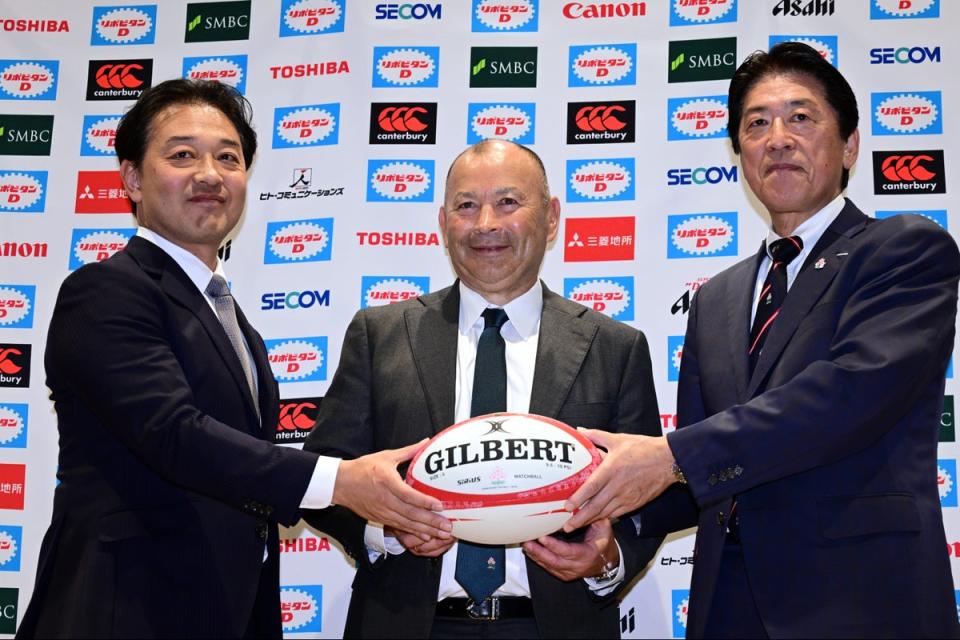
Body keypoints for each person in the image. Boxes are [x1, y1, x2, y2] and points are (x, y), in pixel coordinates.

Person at [16, 79, 450, 639]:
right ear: (131, 179)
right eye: (182, 155)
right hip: (125, 611)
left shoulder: (235, 321)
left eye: (229, 157)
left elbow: (245, 471)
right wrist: (341, 480)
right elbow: (174, 435)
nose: (210, 174)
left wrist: (378, 527)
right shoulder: (105, 291)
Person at [564, 42, 960, 638]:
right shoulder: (716, 298)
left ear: (850, 144)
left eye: (801, 117)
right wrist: (608, 528)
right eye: (757, 123)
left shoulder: (905, 250)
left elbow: (847, 396)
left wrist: (671, 457)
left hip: (862, 601)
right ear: (741, 153)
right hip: (729, 606)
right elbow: (701, 464)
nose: (778, 137)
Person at [301, 139, 663, 639]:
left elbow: (648, 496)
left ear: (552, 217)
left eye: (508, 203)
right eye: (466, 205)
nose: (486, 224)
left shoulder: (614, 346)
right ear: (443, 223)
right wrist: (383, 529)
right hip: (408, 624)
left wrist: (606, 559)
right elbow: (323, 478)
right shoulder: (378, 335)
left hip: (554, 626)